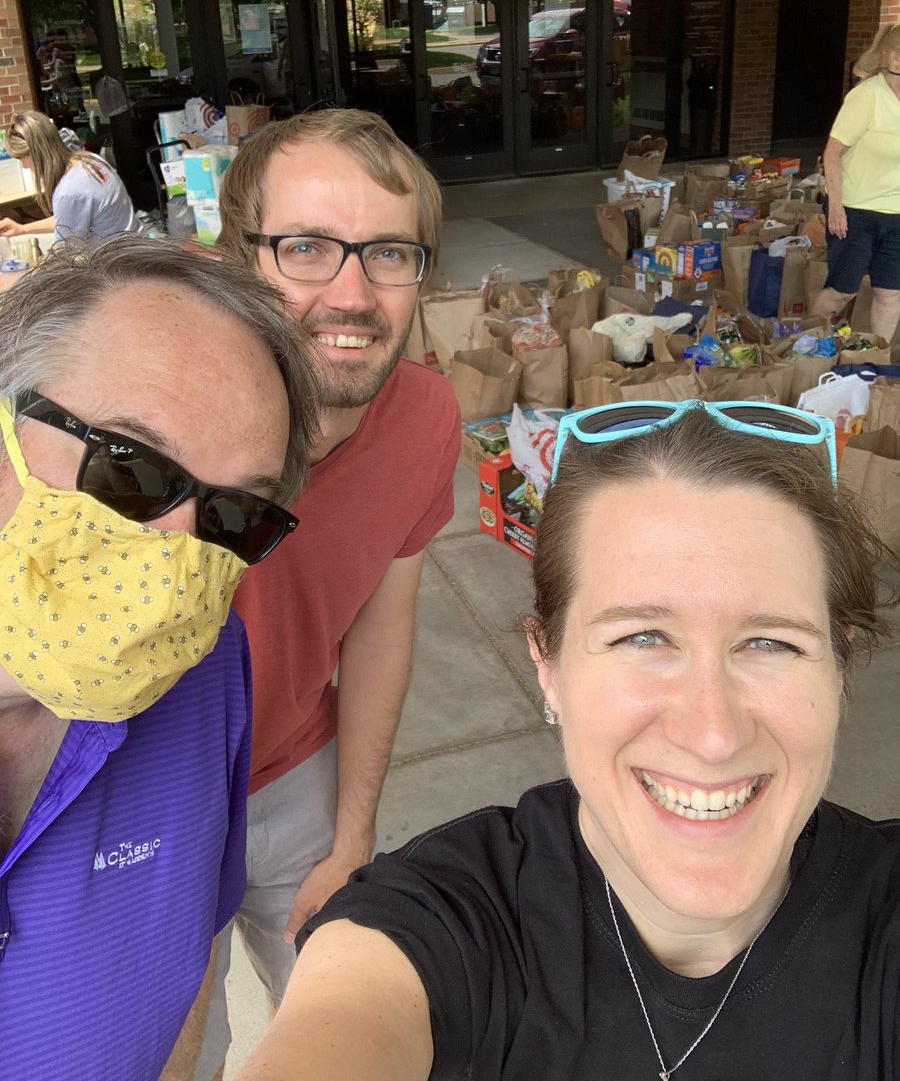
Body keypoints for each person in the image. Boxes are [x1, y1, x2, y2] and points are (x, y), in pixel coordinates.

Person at [235, 399, 900, 1081]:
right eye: (643, 637)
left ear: (839, 668)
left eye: (771, 643)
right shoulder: (440, 926)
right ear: (547, 667)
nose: (713, 733)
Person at [0, 236, 320, 1081]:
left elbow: (190, 959)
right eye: (128, 467)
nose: (176, 554)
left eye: (231, 515)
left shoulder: (205, 668)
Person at [198, 108, 460, 1078]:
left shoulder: (426, 415)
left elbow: (383, 630)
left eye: (389, 253)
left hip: (295, 780)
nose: (351, 293)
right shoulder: (159, 413)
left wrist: (353, 836)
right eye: (306, 247)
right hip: (132, 786)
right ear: (238, 260)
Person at [810, 23, 900, 344]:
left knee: (890, 294)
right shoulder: (866, 97)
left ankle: (874, 362)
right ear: (894, 61)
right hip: (855, 211)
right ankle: (804, 341)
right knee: (841, 292)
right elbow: (832, 152)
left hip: (896, 215)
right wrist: (835, 206)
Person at [0, 109, 137, 247]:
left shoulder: (69, 191)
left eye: (21, 158)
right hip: (134, 247)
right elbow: (69, 219)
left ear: (36, 154)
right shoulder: (90, 161)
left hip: (118, 262)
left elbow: (65, 255)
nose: (24, 166)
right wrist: (22, 229)